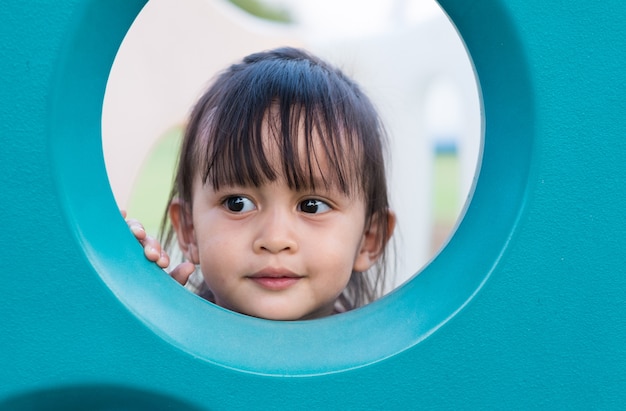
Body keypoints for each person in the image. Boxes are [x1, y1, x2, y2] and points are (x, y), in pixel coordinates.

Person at [127, 47, 395, 321]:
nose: (275, 239)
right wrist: (142, 306)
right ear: (189, 229)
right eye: (237, 203)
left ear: (368, 240)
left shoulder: (387, 358)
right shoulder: (169, 328)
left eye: (312, 206)